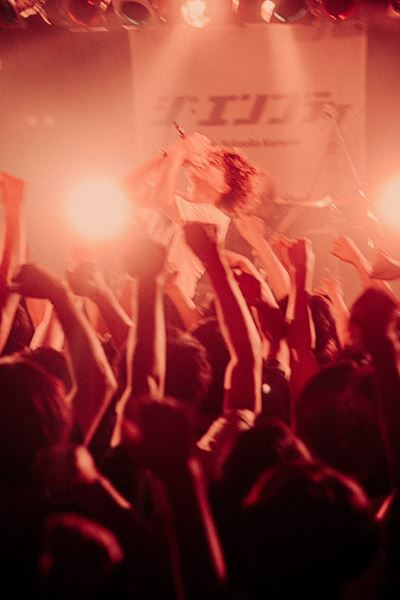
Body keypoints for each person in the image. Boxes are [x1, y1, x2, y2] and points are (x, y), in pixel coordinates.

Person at [124, 132, 268, 299]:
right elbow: (129, 188)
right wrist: (166, 155)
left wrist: (177, 154)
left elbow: (163, 200)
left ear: (223, 187)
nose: (205, 161)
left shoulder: (215, 219)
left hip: (169, 302)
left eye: (214, 163)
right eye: (208, 157)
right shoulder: (181, 201)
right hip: (140, 294)